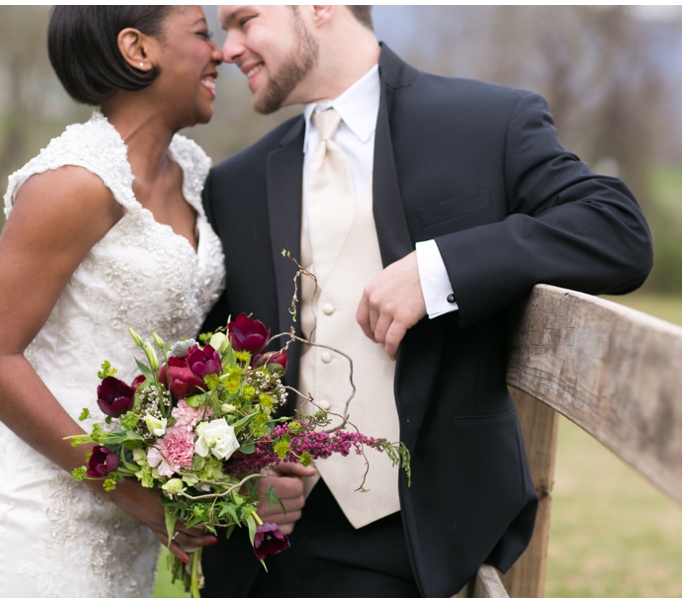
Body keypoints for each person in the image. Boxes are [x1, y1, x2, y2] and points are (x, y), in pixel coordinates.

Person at [199, 5, 653, 598]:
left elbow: (616, 231)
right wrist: (241, 474)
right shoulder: (234, 182)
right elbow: (213, 357)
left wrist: (441, 269)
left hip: (424, 539)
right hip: (276, 555)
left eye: (243, 19)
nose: (226, 47)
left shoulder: (487, 122)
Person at [0, 6, 224, 597]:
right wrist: (131, 493)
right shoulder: (74, 182)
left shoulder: (194, 175)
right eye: (202, 34)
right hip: (39, 511)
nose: (219, 52)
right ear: (138, 48)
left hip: (132, 517)